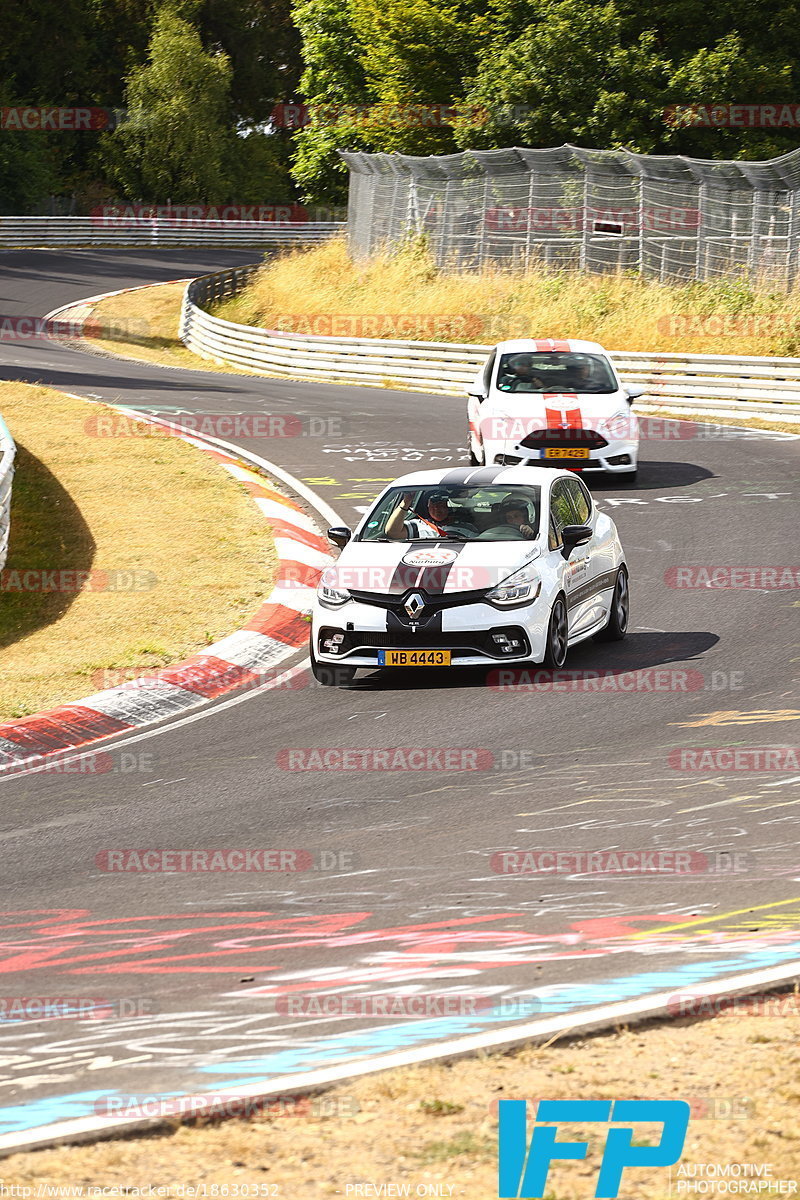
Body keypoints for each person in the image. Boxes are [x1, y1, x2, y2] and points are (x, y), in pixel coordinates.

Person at [385, 490, 476, 540]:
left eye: (441, 505)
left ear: (449, 507)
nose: (437, 509)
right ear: (427, 507)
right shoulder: (417, 525)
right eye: (433, 505)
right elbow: (392, 532)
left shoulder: (467, 528)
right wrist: (406, 502)